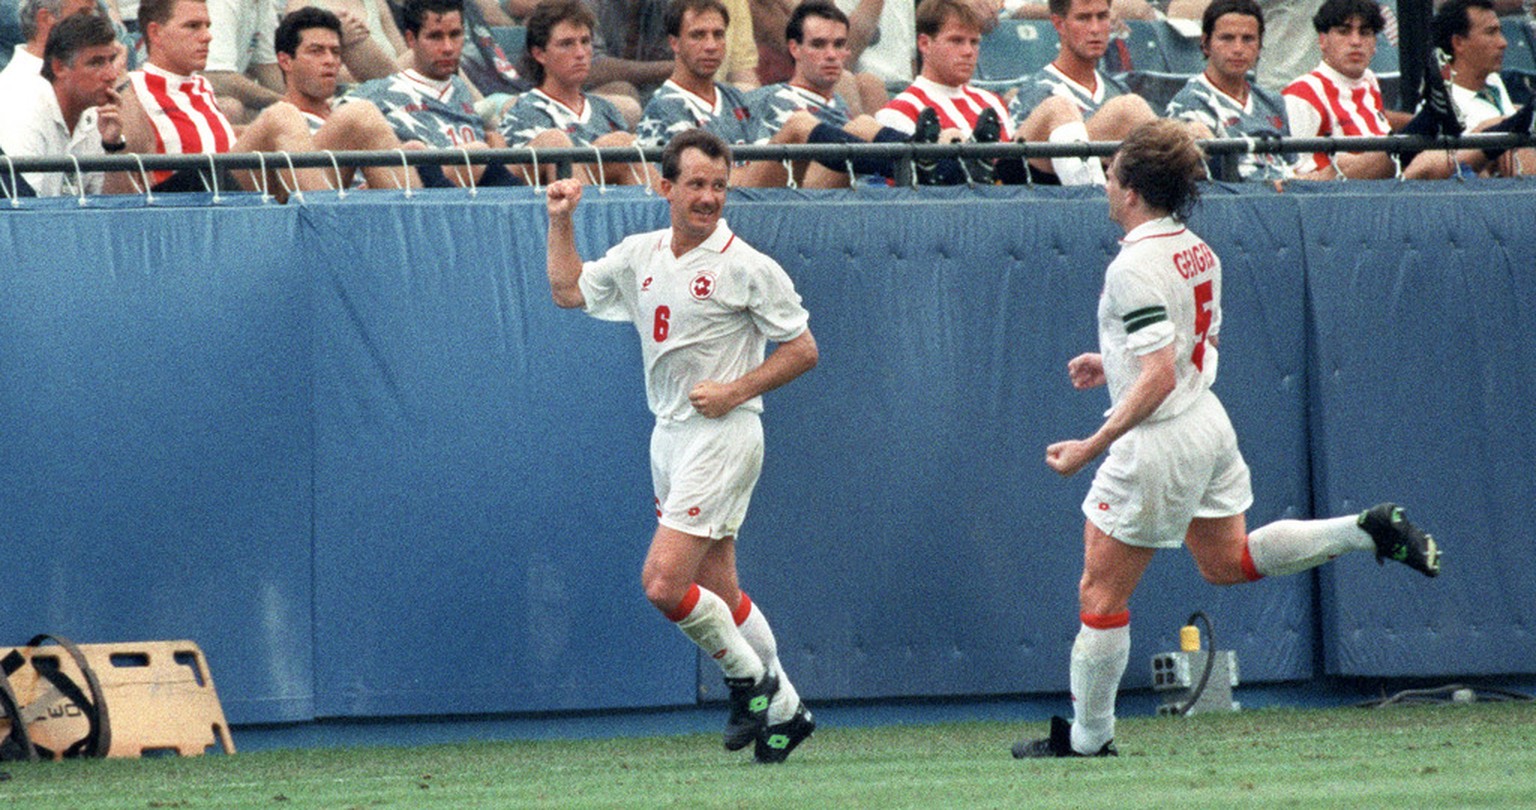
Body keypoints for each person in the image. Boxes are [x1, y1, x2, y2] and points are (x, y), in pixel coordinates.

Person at [1011, 119, 1441, 759]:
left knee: (1100, 595)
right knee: (1225, 561)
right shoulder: (1198, 249)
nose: (1105, 183)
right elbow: (1180, 350)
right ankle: (1364, 528)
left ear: (1131, 190)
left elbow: (1158, 373)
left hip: (1157, 439)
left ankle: (1088, 739)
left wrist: (1090, 445)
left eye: (1111, 173)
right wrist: (1113, 362)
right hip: (1207, 423)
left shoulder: (1133, 265)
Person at [543, 127, 820, 764]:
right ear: (663, 187)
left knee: (664, 584)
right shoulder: (641, 253)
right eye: (695, 184)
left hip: (724, 434)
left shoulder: (747, 265)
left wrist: (735, 389)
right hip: (669, 437)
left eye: (719, 185)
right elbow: (567, 291)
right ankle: (788, 712)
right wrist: (561, 221)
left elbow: (804, 350)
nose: (709, 197)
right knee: (719, 585)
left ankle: (751, 682)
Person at [741, 0, 934, 187]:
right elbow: (755, 167)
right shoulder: (765, 98)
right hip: (789, 193)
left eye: (839, 44)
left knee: (948, 136)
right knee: (859, 126)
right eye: (818, 44)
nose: (831, 55)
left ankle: (927, 161)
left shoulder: (842, 107)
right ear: (795, 48)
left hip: (847, 196)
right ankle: (913, 160)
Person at [347, 0, 522, 187]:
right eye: (435, 37)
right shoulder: (376, 93)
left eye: (455, 35)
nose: (448, 48)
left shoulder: (461, 89)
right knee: (472, 155)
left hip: (476, 196)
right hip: (416, 198)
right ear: (411, 39)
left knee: (549, 140)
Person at [1281, 0, 1460, 180]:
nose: (1356, 42)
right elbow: (1299, 174)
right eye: (1344, 32)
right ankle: (1429, 120)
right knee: (1346, 162)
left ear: (1375, 44)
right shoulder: (1302, 93)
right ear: (1323, 40)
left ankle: (1432, 121)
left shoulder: (1369, 80)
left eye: (1365, 33)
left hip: (1391, 185)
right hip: (1343, 193)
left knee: (1445, 160)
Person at [499, 0, 649, 186]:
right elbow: (518, 183)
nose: (580, 53)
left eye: (585, 42)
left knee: (625, 143)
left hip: (616, 206)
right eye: (567, 44)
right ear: (540, 54)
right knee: (557, 143)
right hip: (553, 206)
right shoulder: (523, 111)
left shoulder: (607, 110)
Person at [1007, 0, 1157, 185]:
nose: (1095, 28)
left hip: (1121, 197)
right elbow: (1013, 172)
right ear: (1059, 24)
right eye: (1083, 18)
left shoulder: (1117, 90)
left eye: (1102, 17)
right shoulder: (1037, 92)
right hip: (1048, 198)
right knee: (1128, 108)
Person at [274, 6, 419, 189]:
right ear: (286, 61)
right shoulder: (279, 122)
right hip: (325, 207)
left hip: (382, 204)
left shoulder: (348, 105)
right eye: (316, 51)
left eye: (335, 52)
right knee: (361, 113)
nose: (330, 60)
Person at [877, 0, 1014, 184]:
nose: (968, 51)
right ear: (924, 44)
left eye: (974, 42)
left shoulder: (993, 102)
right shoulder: (899, 111)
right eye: (956, 40)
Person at [1163, 0, 1293, 182]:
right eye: (1227, 38)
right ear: (1206, 44)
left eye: (1248, 39)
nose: (1238, 49)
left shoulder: (1272, 101)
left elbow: (1293, 163)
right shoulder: (1190, 103)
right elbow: (1203, 180)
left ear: (1260, 45)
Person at [0, 12, 121, 196]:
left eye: (111, 60)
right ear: (59, 67)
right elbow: (25, 212)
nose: (111, 75)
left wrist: (111, 147)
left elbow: (107, 209)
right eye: (96, 63)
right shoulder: (23, 109)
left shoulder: (95, 115)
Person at [1420, 0, 1534, 177]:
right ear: (1458, 43)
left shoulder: (1494, 80)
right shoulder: (1443, 109)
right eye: (1491, 33)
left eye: (1500, 32)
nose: (1503, 43)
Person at [636, 0, 754, 148]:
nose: (711, 46)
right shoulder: (663, 109)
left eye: (718, 35)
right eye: (698, 35)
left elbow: (774, 166)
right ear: (674, 43)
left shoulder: (736, 98)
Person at [0, 0, 98, 103]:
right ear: (46, 18)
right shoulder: (13, 92)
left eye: (93, 14)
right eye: (83, 15)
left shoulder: (90, 76)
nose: (94, 26)